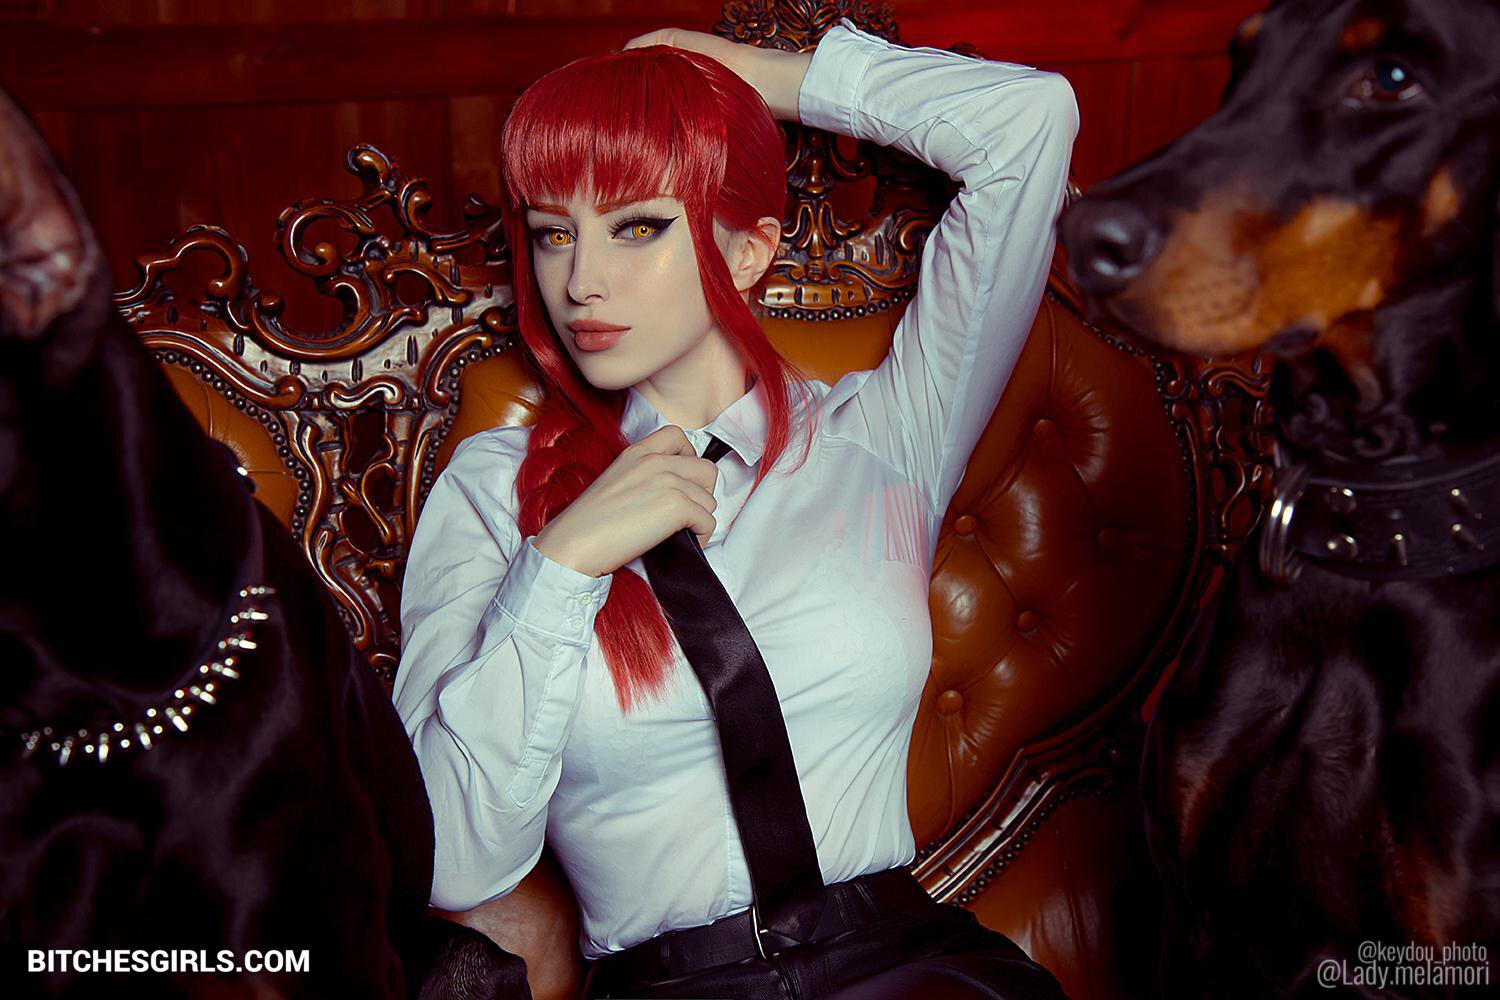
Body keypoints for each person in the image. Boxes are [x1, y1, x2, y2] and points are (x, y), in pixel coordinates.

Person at [393, 16, 1079, 1000]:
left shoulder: (886, 440)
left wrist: (755, 75)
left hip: (906, 969)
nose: (580, 281)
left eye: (637, 226)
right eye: (554, 233)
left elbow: (1029, 122)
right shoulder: (492, 491)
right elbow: (453, 861)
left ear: (750, 251)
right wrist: (561, 566)